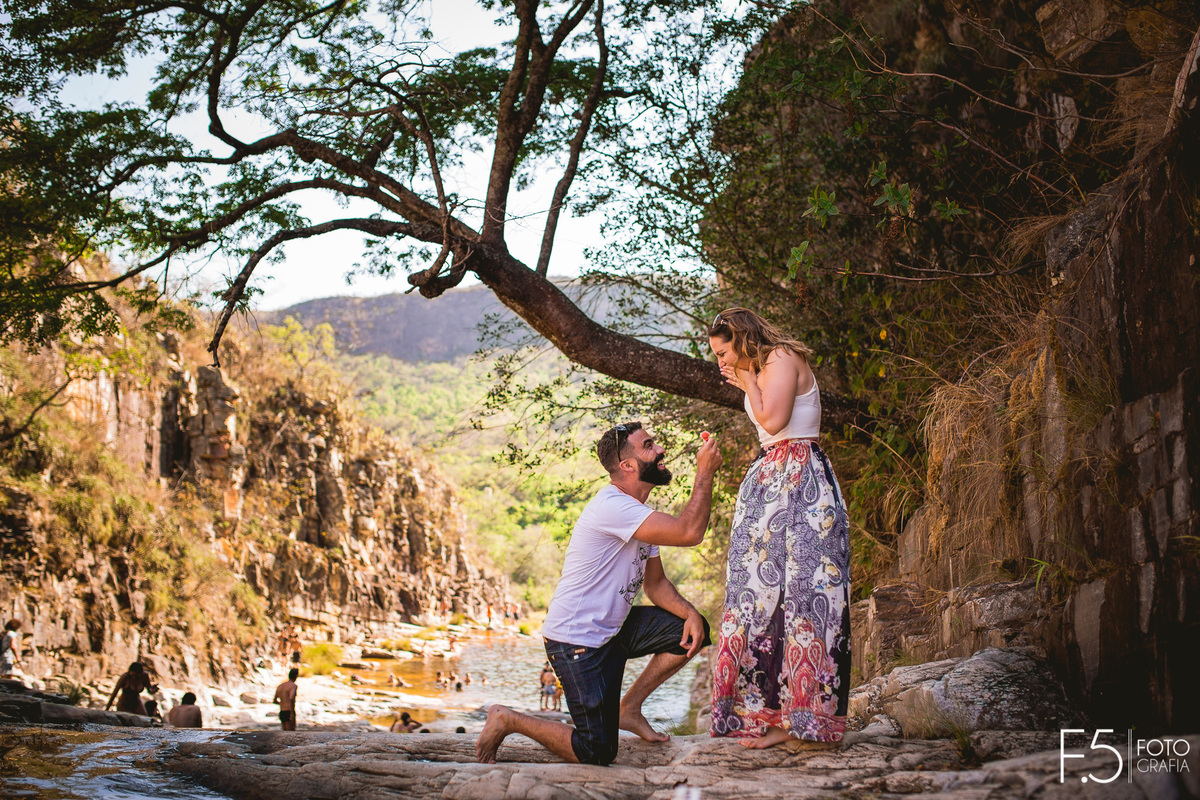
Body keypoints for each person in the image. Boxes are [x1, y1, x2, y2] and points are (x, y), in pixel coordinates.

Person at [476, 421, 722, 766]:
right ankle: (507, 718)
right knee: (598, 751)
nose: (661, 450)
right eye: (649, 445)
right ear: (628, 465)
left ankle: (630, 709)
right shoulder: (613, 507)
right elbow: (689, 531)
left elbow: (656, 585)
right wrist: (705, 473)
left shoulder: (637, 513)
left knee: (690, 632)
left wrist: (691, 614)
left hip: (613, 629)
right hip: (577, 642)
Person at [707, 308, 851, 749]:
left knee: (808, 598)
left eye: (724, 351)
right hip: (769, 485)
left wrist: (749, 383)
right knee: (760, 600)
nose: (721, 362)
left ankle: (808, 721)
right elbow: (768, 432)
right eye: (715, 355)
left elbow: (773, 421)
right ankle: (771, 721)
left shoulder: (781, 359)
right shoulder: (759, 369)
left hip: (803, 485)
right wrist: (748, 380)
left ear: (745, 339)